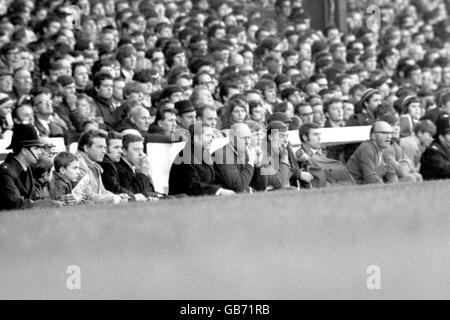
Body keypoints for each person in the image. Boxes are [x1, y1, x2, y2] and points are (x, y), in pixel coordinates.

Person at [169, 122, 235, 196]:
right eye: (208, 135)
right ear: (196, 138)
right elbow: (193, 186)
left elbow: (212, 180)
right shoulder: (186, 157)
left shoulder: (204, 153)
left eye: (212, 135)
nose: (212, 139)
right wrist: (218, 191)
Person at [0, 124, 57, 210]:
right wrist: (50, 203)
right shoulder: (5, 172)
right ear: (24, 151)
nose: (40, 152)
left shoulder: (27, 167)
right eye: (36, 148)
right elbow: (16, 204)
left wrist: (57, 202)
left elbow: (32, 198)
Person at [76, 129, 128, 204]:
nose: (104, 151)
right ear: (86, 148)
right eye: (100, 147)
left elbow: (102, 191)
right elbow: (87, 196)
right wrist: (114, 198)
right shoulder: (78, 164)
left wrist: (118, 197)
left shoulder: (94, 165)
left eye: (104, 147)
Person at [296, 123, 355, 188]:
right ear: (305, 138)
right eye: (315, 134)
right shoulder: (302, 157)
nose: (319, 138)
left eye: (319, 134)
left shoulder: (317, 154)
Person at [214, 123, 267, 193]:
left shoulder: (245, 153)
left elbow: (261, 187)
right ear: (232, 138)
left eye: (249, 138)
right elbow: (238, 187)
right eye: (243, 138)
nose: (247, 142)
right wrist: (251, 162)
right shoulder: (223, 155)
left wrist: (258, 165)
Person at [116, 134, 159, 200]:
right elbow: (132, 194)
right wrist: (143, 174)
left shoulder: (135, 166)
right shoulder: (120, 169)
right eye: (136, 150)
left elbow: (150, 190)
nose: (141, 153)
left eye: (142, 149)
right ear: (124, 151)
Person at [420, 114, 450, 180]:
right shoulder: (433, 151)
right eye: (449, 133)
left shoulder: (447, 148)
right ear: (441, 137)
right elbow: (445, 169)